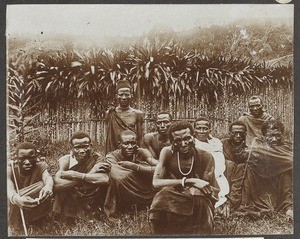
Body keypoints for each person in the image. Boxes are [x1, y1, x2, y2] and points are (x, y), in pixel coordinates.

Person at [150, 121, 219, 235]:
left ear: (194, 137)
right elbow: (156, 182)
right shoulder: (167, 152)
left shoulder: (206, 156)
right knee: (162, 195)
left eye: (187, 138)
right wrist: (190, 181)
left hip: (199, 196)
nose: (183, 144)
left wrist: (189, 188)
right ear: (172, 142)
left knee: (198, 198)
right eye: (177, 141)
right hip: (174, 192)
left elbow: (206, 189)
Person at [239, 118, 293, 219]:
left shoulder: (287, 146)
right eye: (270, 136)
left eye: (278, 135)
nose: (274, 139)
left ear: (282, 134)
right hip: (261, 181)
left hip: (281, 181)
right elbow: (253, 154)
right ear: (264, 135)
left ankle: (288, 207)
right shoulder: (258, 144)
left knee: (286, 173)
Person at [53, 131, 110, 222]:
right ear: (71, 148)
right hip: (73, 196)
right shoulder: (65, 160)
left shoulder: (98, 159)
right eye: (77, 148)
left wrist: (75, 175)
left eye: (85, 147)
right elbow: (57, 185)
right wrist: (90, 173)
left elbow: (104, 179)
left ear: (91, 146)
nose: (82, 151)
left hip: (91, 195)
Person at [104, 130, 158, 217]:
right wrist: (141, 171)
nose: (130, 147)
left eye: (133, 143)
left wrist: (136, 167)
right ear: (119, 144)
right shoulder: (112, 157)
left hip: (146, 190)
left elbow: (159, 167)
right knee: (116, 180)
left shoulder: (141, 152)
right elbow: (117, 176)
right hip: (124, 190)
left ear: (136, 143)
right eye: (126, 143)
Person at [7, 142, 54, 233]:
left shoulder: (40, 166)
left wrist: (48, 187)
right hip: (15, 202)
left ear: (36, 157)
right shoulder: (11, 167)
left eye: (31, 158)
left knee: (42, 186)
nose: (27, 162)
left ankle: (37, 221)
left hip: (33, 204)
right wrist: (16, 198)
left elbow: (47, 177)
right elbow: (7, 183)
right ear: (16, 158)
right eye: (22, 158)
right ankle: (14, 226)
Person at [194, 116, 229, 208]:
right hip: (203, 174)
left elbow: (219, 157)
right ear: (194, 130)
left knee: (222, 190)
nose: (202, 131)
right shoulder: (192, 143)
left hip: (219, 173)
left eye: (205, 129)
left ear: (210, 130)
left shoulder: (216, 142)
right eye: (199, 128)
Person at [105, 79, 144, 154]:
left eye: (127, 94)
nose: (124, 97)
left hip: (130, 149)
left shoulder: (137, 114)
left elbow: (139, 137)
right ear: (116, 96)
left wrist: (139, 153)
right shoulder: (110, 113)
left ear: (131, 95)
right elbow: (110, 135)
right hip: (114, 151)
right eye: (121, 94)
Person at [221, 121, 249, 215]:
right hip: (223, 180)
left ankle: (233, 203)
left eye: (241, 133)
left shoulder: (248, 149)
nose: (238, 136)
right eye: (235, 133)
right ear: (229, 133)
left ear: (245, 134)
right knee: (229, 165)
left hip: (239, 184)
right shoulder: (221, 145)